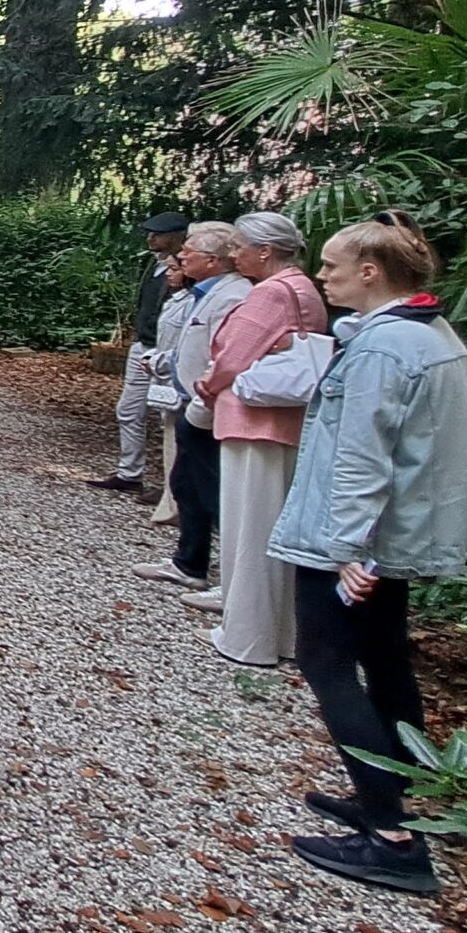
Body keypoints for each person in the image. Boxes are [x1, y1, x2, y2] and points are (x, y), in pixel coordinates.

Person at [268, 211, 467, 897]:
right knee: (386, 662)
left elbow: (363, 454)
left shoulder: (384, 350)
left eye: (331, 265)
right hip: (398, 534)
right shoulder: (428, 334)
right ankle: (392, 789)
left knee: (329, 666)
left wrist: (347, 547)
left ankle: (390, 833)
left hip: (357, 541)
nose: (321, 275)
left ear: (371, 272)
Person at [196, 212, 327, 666]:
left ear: (265, 251)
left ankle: (248, 635)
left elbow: (235, 352)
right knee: (265, 523)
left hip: (257, 419)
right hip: (280, 421)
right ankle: (275, 630)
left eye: (240, 247)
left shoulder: (272, 292)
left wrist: (209, 385)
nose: (234, 255)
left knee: (251, 525)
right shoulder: (302, 288)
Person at [132, 222, 246, 593]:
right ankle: (189, 562)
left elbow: (226, 354)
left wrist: (204, 394)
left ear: (213, 261)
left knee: (212, 488)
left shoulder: (232, 296)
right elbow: (190, 342)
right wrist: (166, 361)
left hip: (206, 403)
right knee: (187, 483)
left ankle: (232, 578)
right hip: (188, 397)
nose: (181, 256)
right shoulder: (200, 292)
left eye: (190, 252)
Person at [89, 212, 190, 497]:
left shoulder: (188, 268)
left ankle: (175, 487)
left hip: (167, 349)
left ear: (177, 236)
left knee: (168, 415)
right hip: (143, 345)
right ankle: (129, 472)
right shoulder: (153, 264)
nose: (150, 238)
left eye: (157, 234)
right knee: (129, 409)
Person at [144, 253, 194, 525]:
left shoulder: (193, 303)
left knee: (181, 441)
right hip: (164, 373)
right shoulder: (175, 300)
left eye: (174, 269)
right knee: (170, 438)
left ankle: (179, 505)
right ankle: (171, 500)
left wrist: (160, 361)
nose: (168, 274)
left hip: (180, 379)